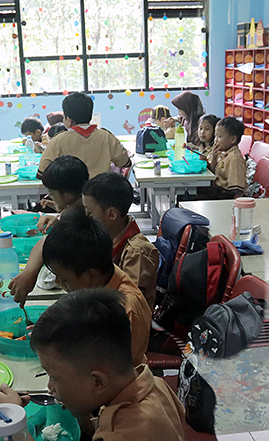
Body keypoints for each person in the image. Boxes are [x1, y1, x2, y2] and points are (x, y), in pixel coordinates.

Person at [0, 289, 186, 441]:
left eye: (54, 377)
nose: (49, 386)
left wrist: (14, 423)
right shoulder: (154, 385)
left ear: (97, 382)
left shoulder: (129, 438)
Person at [40, 210, 151, 367]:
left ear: (91, 275)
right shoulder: (101, 277)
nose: (58, 283)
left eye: (64, 279)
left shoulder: (124, 311)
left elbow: (106, 376)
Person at [10, 155, 90, 305]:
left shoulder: (79, 216)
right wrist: (58, 217)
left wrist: (29, 273)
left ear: (68, 195)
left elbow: (46, 242)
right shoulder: (82, 204)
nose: (50, 196)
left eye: (53, 193)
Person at [82, 173, 160, 309]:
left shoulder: (136, 252)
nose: (85, 218)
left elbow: (129, 304)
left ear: (111, 214)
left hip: (128, 323)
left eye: (89, 213)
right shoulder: (106, 237)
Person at [38, 92, 131, 179]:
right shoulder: (106, 136)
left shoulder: (59, 140)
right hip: (101, 192)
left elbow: (42, 172)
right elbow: (124, 161)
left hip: (72, 194)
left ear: (69, 120)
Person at [191, 117, 246, 200]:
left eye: (219, 137)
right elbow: (215, 174)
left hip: (223, 197)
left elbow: (236, 192)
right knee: (189, 191)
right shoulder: (222, 153)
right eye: (215, 136)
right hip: (216, 191)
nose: (215, 140)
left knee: (189, 195)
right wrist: (213, 160)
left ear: (233, 139)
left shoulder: (234, 158)